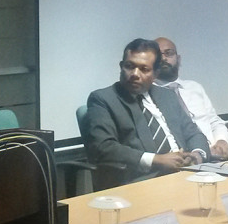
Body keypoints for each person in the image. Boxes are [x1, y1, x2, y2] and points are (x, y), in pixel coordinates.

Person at [84, 38, 210, 188]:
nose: (135, 74)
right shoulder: (103, 99)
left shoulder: (167, 96)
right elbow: (103, 147)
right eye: (129, 66)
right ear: (121, 66)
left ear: (156, 73)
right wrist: (157, 160)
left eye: (144, 69)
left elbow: (193, 132)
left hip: (187, 172)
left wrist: (197, 155)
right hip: (146, 180)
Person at [154, 37, 228, 159]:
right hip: (184, 159)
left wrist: (222, 141)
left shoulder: (194, 87)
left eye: (169, 53)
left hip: (214, 156)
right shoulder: (149, 95)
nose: (163, 58)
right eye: (158, 55)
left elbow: (214, 121)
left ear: (178, 59)